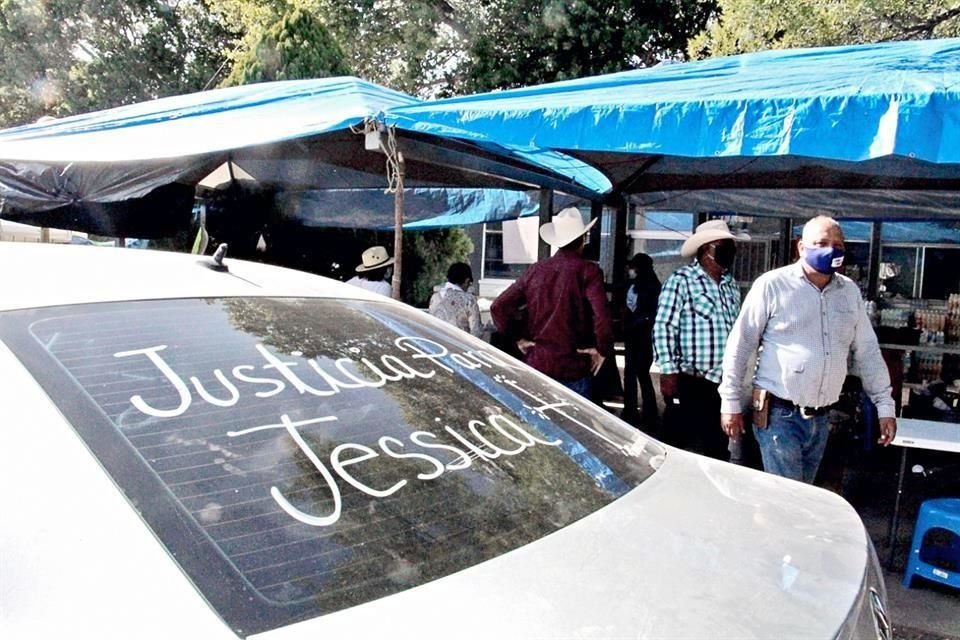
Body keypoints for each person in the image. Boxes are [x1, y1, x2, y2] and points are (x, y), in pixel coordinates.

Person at [718, 215, 897, 483]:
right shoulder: (773, 285)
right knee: (790, 500)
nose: (831, 249)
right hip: (780, 416)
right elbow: (742, 344)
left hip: (822, 420)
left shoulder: (848, 293)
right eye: (821, 243)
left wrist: (885, 405)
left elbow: (868, 351)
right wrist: (730, 401)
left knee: (803, 497)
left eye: (838, 244)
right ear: (801, 247)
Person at [491, 207, 613, 399]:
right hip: (574, 364)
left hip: (538, 362)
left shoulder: (536, 270)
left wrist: (517, 338)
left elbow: (498, 306)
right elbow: (602, 317)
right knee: (575, 427)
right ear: (583, 238)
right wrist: (602, 349)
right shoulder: (588, 271)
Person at [653, 219, 744, 460]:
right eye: (723, 246)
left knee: (717, 450)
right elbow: (664, 326)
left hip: (723, 382)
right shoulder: (681, 280)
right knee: (680, 448)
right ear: (706, 249)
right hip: (692, 380)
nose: (730, 252)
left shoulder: (731, 285)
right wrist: (668, 372)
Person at [621, 253, 661, 428]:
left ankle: (646, 411)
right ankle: (633, 409)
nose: (630, 271)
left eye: (633, 267)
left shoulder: (652, 287)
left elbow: (650, 313)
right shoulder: (634, 284)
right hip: (633, 335)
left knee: (640, 373)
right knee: (633, 373)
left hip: (643, 336)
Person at [429, 262, 483, 337]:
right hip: (460, 345)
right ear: (466, 281)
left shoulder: (435, 297)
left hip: (438, 344)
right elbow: (476, 331)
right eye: (469, 283)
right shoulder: (469, 300)